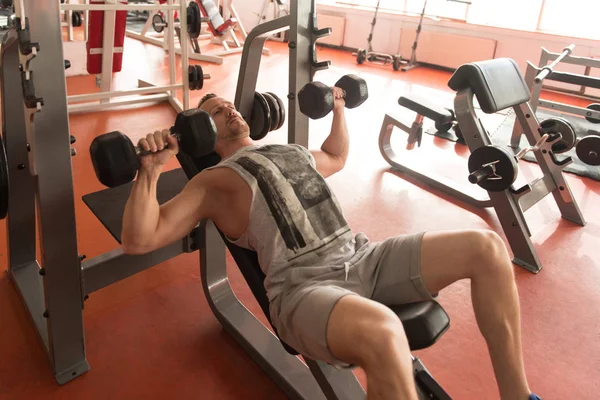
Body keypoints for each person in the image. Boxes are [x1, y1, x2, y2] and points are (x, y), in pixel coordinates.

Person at [121, 89, 541, 400]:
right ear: (203, 134)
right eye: (214, 112)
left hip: (363, 256)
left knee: (486, 247)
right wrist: (150, 170)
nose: (229, 108)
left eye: (228, 104)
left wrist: (338, 107)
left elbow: (336, 156)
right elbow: (140, 239)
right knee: (383, 331)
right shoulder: (212, 182)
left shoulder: (289, 150)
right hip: (304, 291)